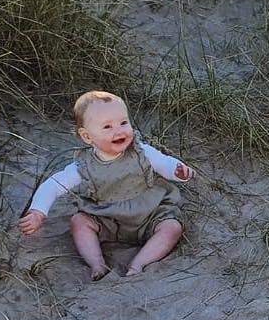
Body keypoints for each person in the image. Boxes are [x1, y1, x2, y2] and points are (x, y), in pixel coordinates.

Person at [17, 90, 193, 279]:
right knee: (79, 222)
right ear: (87, 136)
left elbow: (164, 163)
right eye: (107, 127)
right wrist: (38, 211)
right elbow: (54, 184)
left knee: (172, 227)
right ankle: (97, 264)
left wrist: (178, 171)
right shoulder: (84, 165)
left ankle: (139, 264)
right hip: (107, 218)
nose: (119, 131)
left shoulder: (141, 151)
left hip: (148, 214)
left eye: (123, 123)